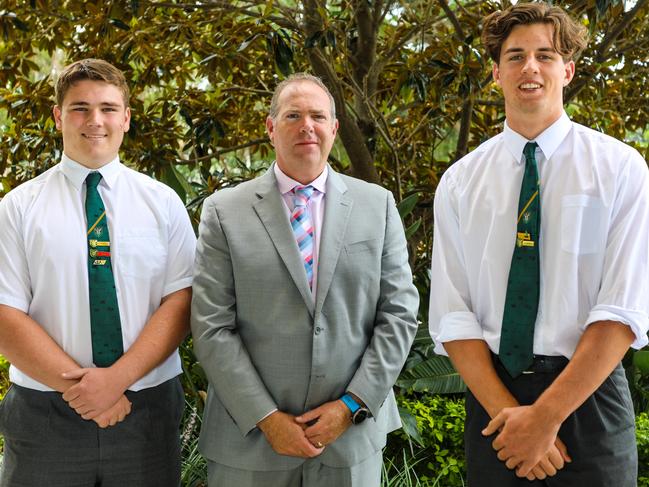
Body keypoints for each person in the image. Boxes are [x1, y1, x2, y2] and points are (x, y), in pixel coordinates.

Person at [428, 3, 649, 486]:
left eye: (545, 56)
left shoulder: (620, 169)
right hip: (495, 405)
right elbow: (452, 315)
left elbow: (622, 310)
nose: (530, 67)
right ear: (496, 73)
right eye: (515, 56)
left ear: (566, 70)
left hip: (590, 401)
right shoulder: (460, 182)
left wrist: (545, 418)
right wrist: (515, 418)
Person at [191, 72, 419, 486]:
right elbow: (211, 327)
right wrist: (266, 417)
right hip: (249, 446)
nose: (306, 126)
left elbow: (399, 315)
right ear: (270, 127)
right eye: (293, 115)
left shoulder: (377, 206)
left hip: (350, 441)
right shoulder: (224, 212)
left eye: (317, 115)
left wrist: (351, 404)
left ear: (333, 128)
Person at [0, 58, 196, 486]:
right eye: (79, 108)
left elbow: (181, 301)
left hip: (146, 411)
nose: (95, 120)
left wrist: (116, 382)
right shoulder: (15, 209)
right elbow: (5, 314)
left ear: (126, 118)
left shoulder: (163, 204)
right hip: (44, 415)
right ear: (57, 116)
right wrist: (87, 391)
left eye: (108, 108)